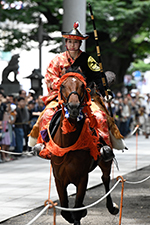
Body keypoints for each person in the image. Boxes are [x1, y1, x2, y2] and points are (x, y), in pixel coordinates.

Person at [28, 22, 125, 161]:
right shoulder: (57, 60)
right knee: (47, 115)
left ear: (80, 44)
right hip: (61, 97)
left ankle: (104, 146)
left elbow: (98, 77)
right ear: (66, 43)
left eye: (76, 42)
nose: (72, 45)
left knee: (99, 116)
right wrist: (64, 85)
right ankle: (43, 144)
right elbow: (50, 78)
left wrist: (105, 91)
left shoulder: (87, 59)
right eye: (70, 41)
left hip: (86, 97)